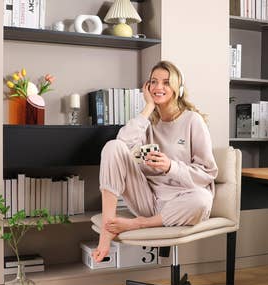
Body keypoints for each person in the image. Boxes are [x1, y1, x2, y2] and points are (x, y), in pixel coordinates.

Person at [93, 60, 218, 263]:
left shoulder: (193, 121)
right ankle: (107, 229)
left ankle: (140, 224)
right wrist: (148, 108)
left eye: (166, 82)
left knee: (203, 199)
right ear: (147, 87)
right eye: (154, 82)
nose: (159, 87)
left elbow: (208, 173)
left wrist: (170, 167)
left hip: (182, 202)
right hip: (148, 199)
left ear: (178, 88)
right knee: (112, 146)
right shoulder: (147, 122)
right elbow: (122, 144)